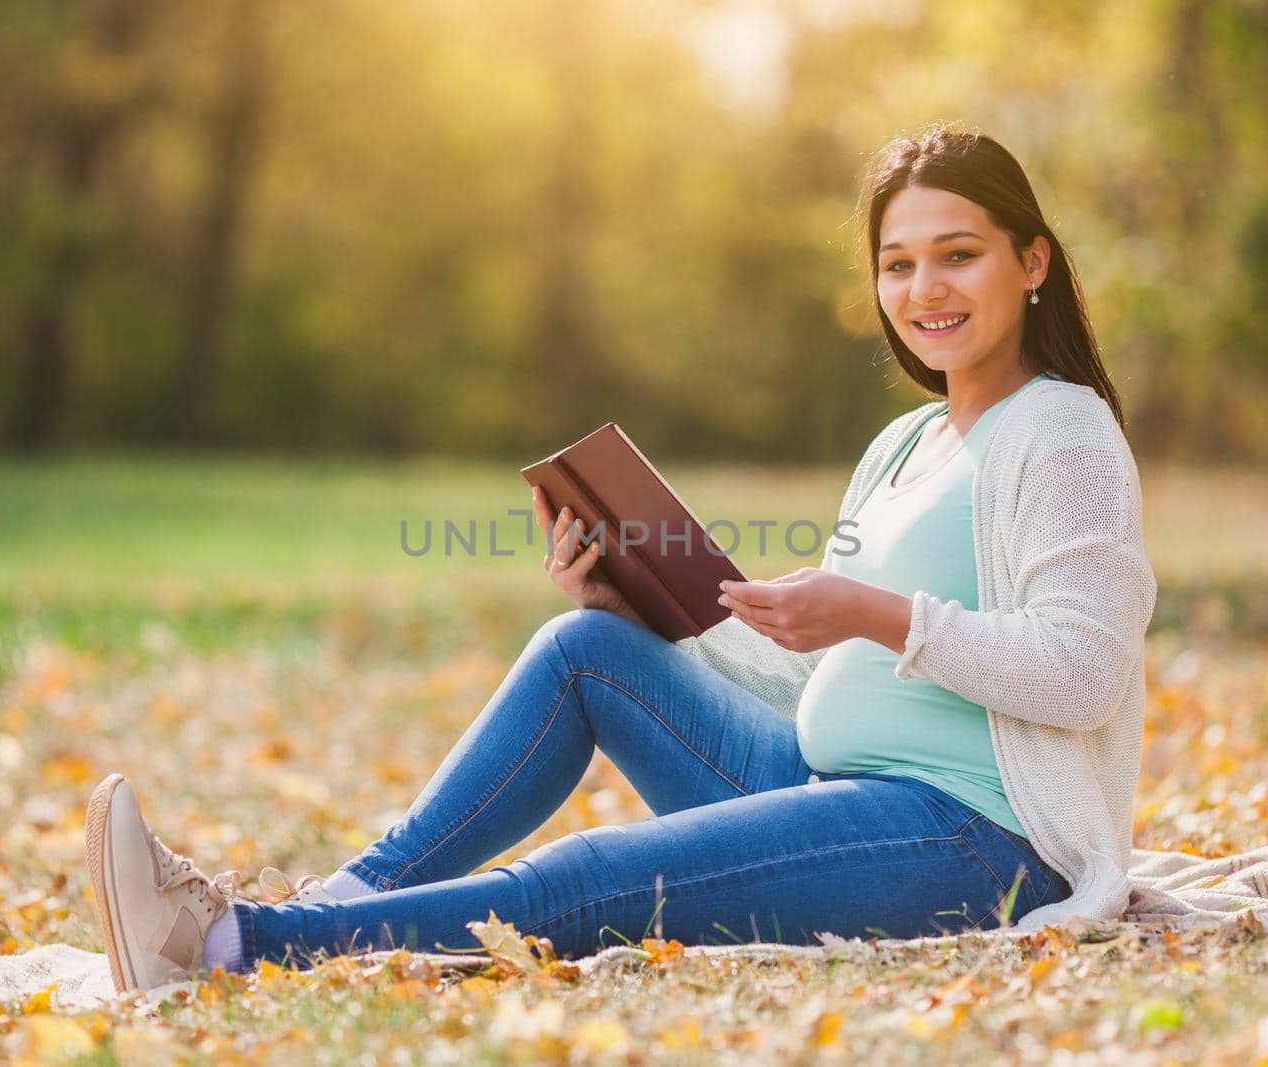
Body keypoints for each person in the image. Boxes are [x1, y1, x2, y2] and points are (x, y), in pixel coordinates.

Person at [84, 125, 1157, 994]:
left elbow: (1082, 671)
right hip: (827, 780)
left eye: (957, 253)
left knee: (592, 876)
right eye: (897, 262)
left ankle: (232, 941)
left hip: (974, 837)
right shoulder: (905, 443)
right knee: (586, 647)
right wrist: (641, 599)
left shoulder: (1060, 433)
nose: (925, 288)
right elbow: (806, 671)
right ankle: (344, 896)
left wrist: (881, 613)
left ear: (1031, 261)